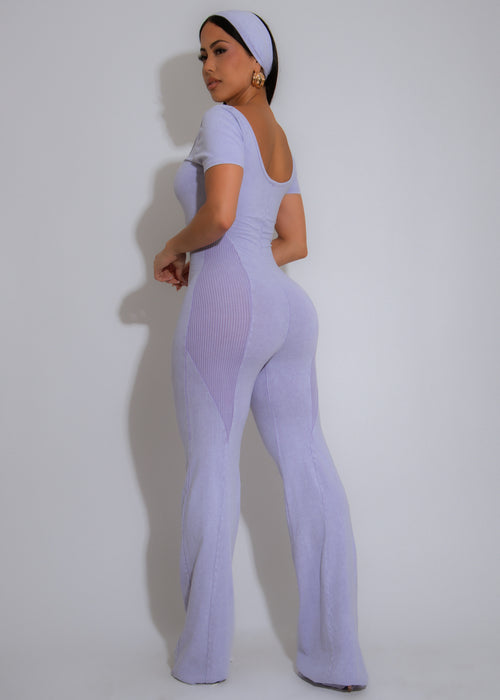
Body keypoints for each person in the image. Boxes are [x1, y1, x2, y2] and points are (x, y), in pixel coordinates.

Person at [153, 9, 369, 692]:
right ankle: (336, 657)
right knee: (310, 466)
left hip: (227, 308)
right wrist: (247, 267)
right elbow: (294, 242)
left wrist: (174, 248)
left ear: (258, 63)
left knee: (212, 469)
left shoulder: (222, 122)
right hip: (286, 311)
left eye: (221, 50)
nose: (208, 66)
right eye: (202, 55)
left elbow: (219, 216)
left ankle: (201, 659)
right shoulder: (278, 137)